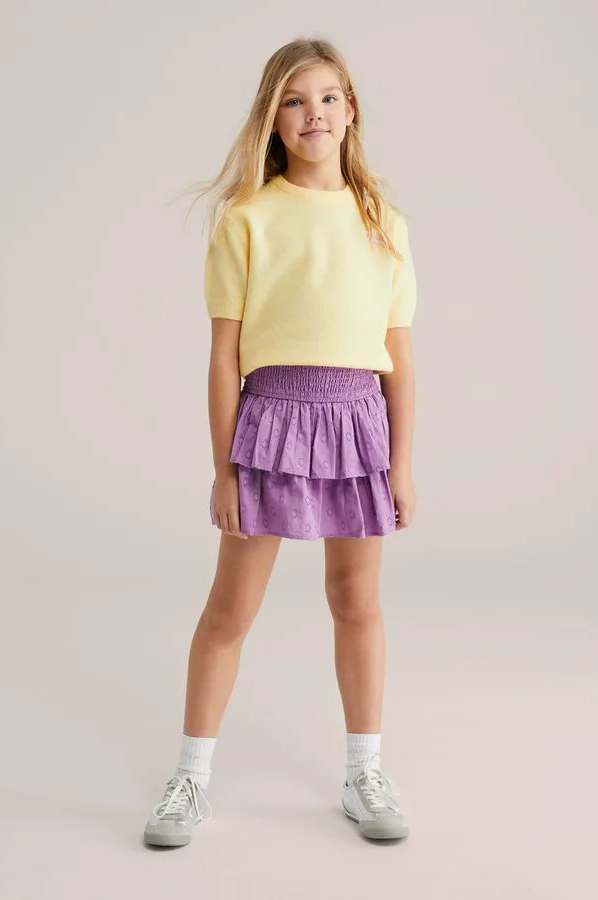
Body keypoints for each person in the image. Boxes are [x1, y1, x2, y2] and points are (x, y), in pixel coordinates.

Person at [143, 36, 418, 848]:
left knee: (356, 601)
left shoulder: (384, 222)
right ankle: (190, 778)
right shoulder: (248, 219)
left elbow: (399, 357)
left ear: (351, 109)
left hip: (358, 426)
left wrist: (401, 463)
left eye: (328, 97)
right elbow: (223, 357)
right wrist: (224, 467)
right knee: (231, 608)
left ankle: (364, 772)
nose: (314, 114)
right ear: (273, 119)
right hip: (270, 426)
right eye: (294, 101)